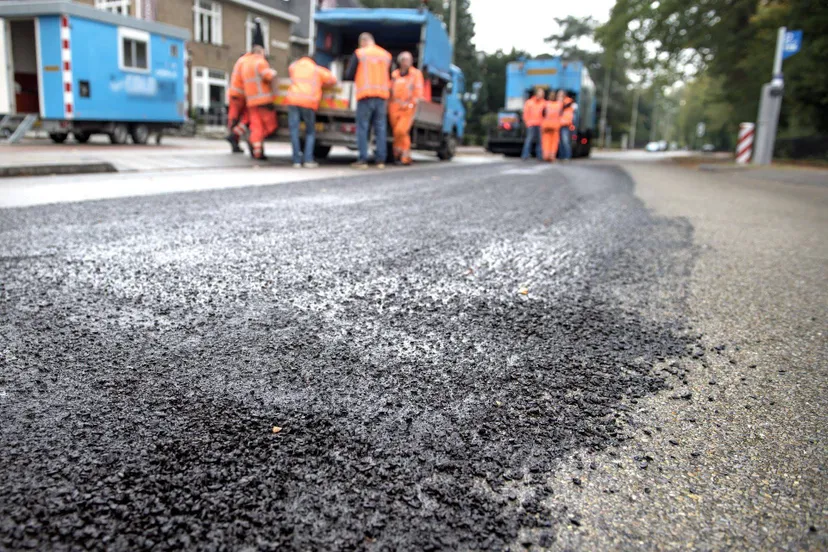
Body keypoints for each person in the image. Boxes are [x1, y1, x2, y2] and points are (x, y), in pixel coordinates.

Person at [344, 33, 392, 169]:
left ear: (363, 42)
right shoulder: (386, 55)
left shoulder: (360, 54)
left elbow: (349, 75)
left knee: (363, 128)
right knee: (380, 129)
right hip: (381, 97)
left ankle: (363, 159)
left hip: (365, 96)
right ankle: (380, 160)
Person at [285, 56, 337, 168]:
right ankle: (308, 159)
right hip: (308, 102)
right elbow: (332, 79)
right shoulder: (317, 70)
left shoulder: (294, 67)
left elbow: (290, 68)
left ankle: (296, 161)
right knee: (310, 132)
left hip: (293, 100)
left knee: (294, 131)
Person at [241, 19, 277, 161]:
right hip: (264, 101)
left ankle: (256, 150)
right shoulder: (260, 62)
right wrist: (273, 74)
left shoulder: (246, 63)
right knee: (270, 125)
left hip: (251, 101)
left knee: (256, 126)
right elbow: (269, 76)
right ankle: (257, 146)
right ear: (261, 51)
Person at [388, 51, 424, 165]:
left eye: (409, 60)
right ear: (401, 62)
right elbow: (390, 89)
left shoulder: (416, 74)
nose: (408, 62)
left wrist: (412, 103)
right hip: (394, 107)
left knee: (401, 130)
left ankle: (403, 156)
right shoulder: (395, 75)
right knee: (398, 133)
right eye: (405, 60)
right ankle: (399, 155)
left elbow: (418, 90)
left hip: (407, 108)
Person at [226, 52, 251, 154]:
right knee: (247, 118)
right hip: (243, 95)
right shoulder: (248, 62)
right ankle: (233, 136)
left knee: (234, 120)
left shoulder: (239, 62)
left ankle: (234, 143)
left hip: (234, 94)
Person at [521, 87, 546, 160]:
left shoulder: (544, 103)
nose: (541, 94)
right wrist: (527, 122)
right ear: (536, 93)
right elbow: (525, 113)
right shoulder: (529, 102)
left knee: (540, 141)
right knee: (529, 140)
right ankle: (525, 155)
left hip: (540, 124)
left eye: (542, 93)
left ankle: (540, 156)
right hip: (531, 124)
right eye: (540, 93)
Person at [541, 89, 562, 162]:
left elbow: (542, 114)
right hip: (555, 126)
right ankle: (551, 156)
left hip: (546, 126)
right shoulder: (559, 104)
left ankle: (546, 156)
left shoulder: (546, 104)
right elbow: (561, 114)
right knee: (553, 143)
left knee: (546, 141)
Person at [557, 90, 575, 161]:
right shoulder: (558, 102)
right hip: (559, 124)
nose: (559, 96)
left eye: (561, 94)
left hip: (566, 124)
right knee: (560, 142)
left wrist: (560, 101)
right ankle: (561, 156)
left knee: (565, 141)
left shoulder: (568, 101)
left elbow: (564, 106)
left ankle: (567, 155)